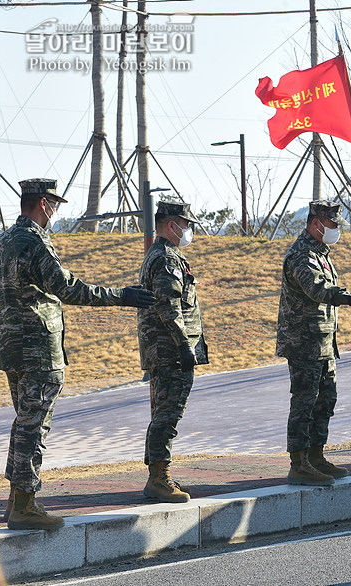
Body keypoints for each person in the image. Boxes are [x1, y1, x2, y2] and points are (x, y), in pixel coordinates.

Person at [0, 178, 155, 530]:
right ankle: (24, 505)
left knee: (24, 422)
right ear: (42, 203)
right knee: (33, 425)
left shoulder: (5, 239)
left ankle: (17, 502)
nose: (54, 210)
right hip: (38, 347)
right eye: (53, 204)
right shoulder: (34, 241)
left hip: (11, 347)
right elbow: (67, 288)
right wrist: (122, 296)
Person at [277, 200, 351, 486]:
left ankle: (315, 456)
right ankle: (299, 464)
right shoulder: (301, 254)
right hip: (303, 342)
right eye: (333, 225)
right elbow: (316, 289)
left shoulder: (320, 253)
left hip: (322, 341)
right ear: (316, 223)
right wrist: (350, 297)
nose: (337, 231)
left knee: (325, 401)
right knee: (304, 403)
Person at [137, 199, 208, 503]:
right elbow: (169, 308)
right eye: (186, 224)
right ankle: (157, 479)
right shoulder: (166, 258)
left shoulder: (168, 255)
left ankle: (159, 474)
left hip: (167, 349)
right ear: (171, 224)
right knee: (167, 415)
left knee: (165, 414)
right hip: (170, 351)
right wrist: (185, 346)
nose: (189, 230)